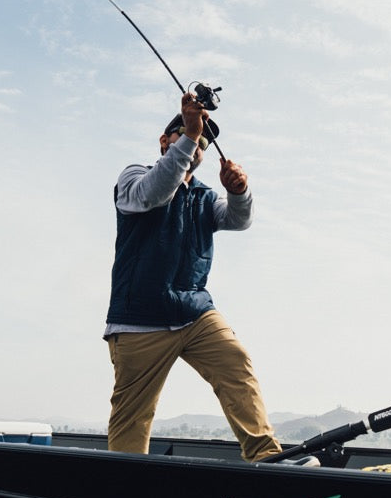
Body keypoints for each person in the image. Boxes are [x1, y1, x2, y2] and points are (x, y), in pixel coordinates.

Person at [104, 92, 282, 462]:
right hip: (140, 320)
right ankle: (123, 483)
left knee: (236, 364)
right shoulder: (133, 178)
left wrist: (239, 192)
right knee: (132, 416)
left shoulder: (203, 196)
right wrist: (188, 134)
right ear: (164, 140)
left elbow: (239, 220)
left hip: (195, 312)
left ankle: (267, 459)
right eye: (185, 134)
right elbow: (155, 193)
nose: (196, 143)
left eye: (201, 141)